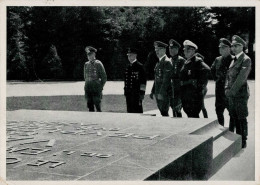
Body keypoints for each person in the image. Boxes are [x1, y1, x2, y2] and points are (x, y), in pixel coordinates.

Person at [225, 35, 251, 148]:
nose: (234, 48)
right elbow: (228, 76)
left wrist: (231, 92)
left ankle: (243, 140)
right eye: (233, 46)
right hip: (231, 94)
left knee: (241, 117)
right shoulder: (233, 59)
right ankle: (236, 139)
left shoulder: (246, 59)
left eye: (236, 46)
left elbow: (241, 78)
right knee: (233, 115)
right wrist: (226, 88)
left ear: (242, 46)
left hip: (240, 94)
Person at [179, 40, 210, 118]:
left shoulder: (197, 62)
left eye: (186, 50)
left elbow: (207, 69)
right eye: (184, 50)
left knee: (194, 118)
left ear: (192, 50)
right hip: (186, 96)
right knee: (190, 117)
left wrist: (200, 86)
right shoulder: (187, 62)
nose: (184, 51)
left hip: (193, 97)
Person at [211, 38, 233, 126]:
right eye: (220, 48)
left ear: (229, 48)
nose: (221, 49)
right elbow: (212, 70)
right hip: (219, 91)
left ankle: (232, 132)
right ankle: (221, 130)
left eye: (223, 48)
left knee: (232, 113)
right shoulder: (217, 59)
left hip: (229, 91)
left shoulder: (234, 59)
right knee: (219, 111)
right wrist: (216, 79)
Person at [150, 41, 173, 116]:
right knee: (162, 112)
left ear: (164, 50)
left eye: (159, 50)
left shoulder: (167, 62)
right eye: (156, 50)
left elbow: (166, 80)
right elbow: (156, 78)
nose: (157, 52)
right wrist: (153, 91)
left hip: (164, 93)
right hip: (158, 92)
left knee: (164, 112)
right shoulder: (159, 62)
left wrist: (161, 92)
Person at [84, 46, 107, 112]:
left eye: (90, 54)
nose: (89, 56)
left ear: (94, 54)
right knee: (90, 105)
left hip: (96, 87)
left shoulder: (98, 63)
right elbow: (85, 77)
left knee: (97, 105)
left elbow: (104, 77)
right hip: (88, 87)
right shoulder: (86, 64)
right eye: (88, 55)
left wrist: (100, 86)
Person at [124, 48, 147, 113]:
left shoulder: (140, 67)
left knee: (137, 111)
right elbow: (126, 81)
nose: (129, 57)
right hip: (128, 93)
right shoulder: (127, 67)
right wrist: (125, 91)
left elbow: (143, 81)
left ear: (135, 55)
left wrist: (142, 93)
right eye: (128, 55)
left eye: (131, 55)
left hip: (136, 94)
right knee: (129, 111)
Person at [168, 39, 185, 117]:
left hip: (178, 89)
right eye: (170, 48)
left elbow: (183, 76)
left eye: (173, 48)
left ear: (177, 49)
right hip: (171, 89)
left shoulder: (181, 60)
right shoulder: (169, 60)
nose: (171, 50)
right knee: (172, 108)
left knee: (177, 109)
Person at [196, 53, 208, 118]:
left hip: (202, 88)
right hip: (201, 88)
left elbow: (205, 81)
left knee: (201, 105)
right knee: (201, 105)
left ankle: (206, 118)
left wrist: (203, 88)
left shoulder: (203, 69)